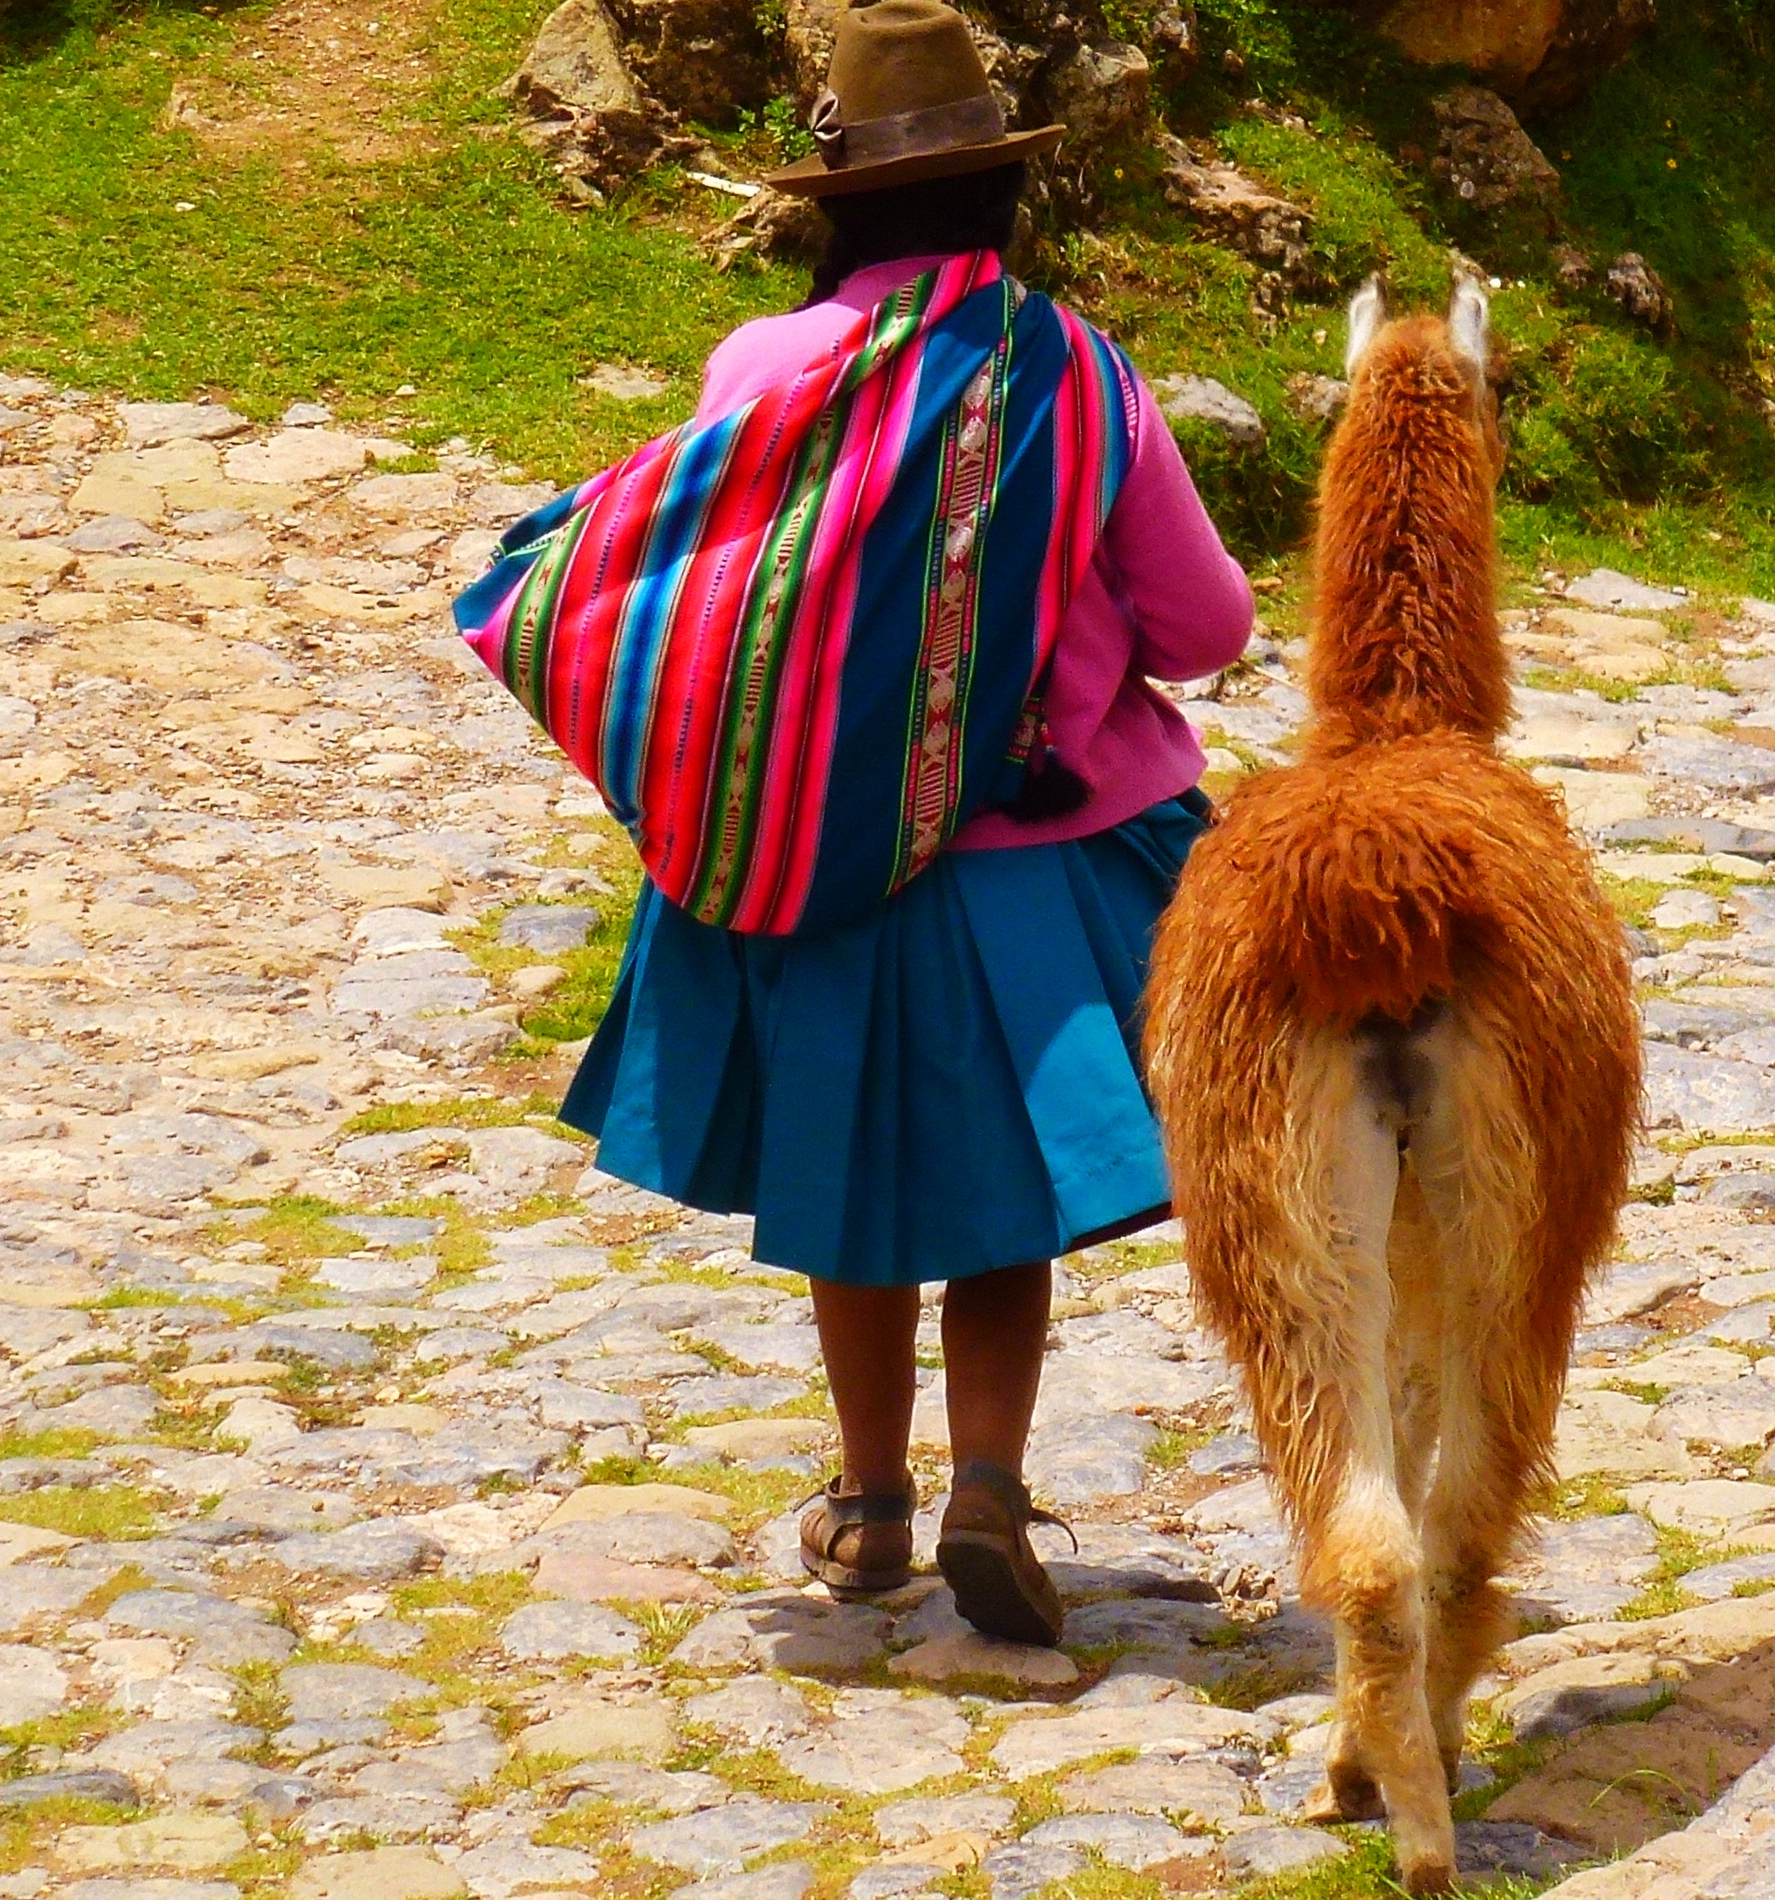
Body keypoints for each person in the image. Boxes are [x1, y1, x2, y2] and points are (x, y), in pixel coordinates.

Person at [471, 0, 1254, 1644]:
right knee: (999, 1203)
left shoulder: (760, 371)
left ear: (839, 205)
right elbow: (1204, 627)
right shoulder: (1080, 376)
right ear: (999, 199)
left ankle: (871, 1495)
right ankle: (987, 1480)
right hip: (1030, 876)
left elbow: (711, 588)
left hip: (807, 863)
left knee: (851, 1182)